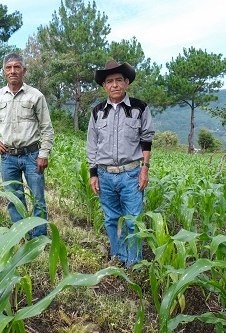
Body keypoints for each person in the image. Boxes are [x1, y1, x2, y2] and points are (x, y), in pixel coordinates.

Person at [0, 53, 54, 238]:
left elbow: (47, 128)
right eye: (9, 68)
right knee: (14, 198)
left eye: (17, 67)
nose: (13, 71)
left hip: (32, 155)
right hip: (8, 157)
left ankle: (39, 238)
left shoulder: (35, 96)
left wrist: (44, 154)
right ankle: (20, 236)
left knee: (38, 199)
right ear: (4, 72)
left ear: (24, 70)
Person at [86, 60, 155, 268]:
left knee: (133, 219)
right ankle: (117, 256)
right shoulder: (97, 112)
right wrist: (93, 173)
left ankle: (133, 262)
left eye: (118, 80)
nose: (114, 85)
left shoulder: (139, 108)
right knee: (111, 218)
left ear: (126, 82)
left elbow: (146, 139)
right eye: (109, 81)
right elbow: (92, 144)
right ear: (104, 86)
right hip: (105, 175)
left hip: (131, 173)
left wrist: (145, 168)